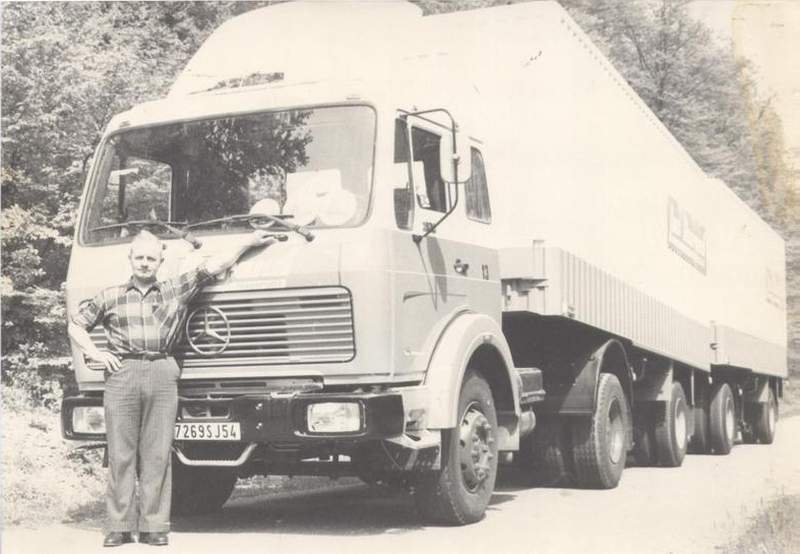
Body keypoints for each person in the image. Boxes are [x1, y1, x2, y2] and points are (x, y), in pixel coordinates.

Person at [68, 229, 275, 547]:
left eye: (151, 258)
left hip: (162, 370)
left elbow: (213, 266)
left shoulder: (174, 289)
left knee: (158, 452)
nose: (144, 263)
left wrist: (247, 242)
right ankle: (119, 526)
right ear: (130, 259)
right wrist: (95, 353)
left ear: (160, 261)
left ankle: (154, 526)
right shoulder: (110, 295)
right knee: (121, 453)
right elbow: (76, 325)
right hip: (122, 373)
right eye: (139, 257)